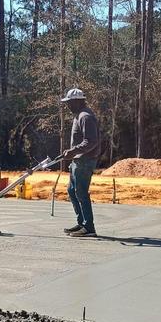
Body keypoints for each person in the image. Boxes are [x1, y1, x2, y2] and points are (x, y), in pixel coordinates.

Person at [60, 87, 101, 238]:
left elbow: (91, 141)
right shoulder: (79, 115)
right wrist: (72, 154)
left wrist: (73, 151)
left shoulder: (85, 117)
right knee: (72, 191)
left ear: (78, 101)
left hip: (85, 161)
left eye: (69, 103)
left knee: (81, 192)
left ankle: (88, 227)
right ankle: (82, 223)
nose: (68, 105)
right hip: (78, 160)